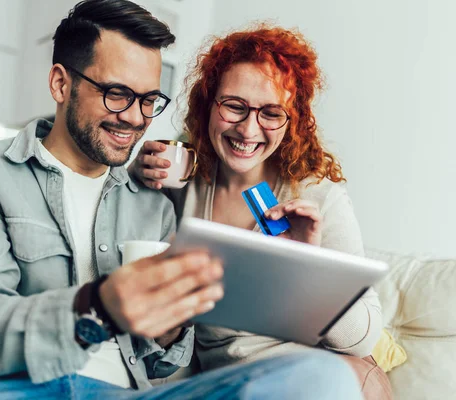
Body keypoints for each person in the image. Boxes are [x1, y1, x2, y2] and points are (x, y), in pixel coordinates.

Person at [0, 3, 364, 400]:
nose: (135, 118)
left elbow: (167, 358)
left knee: (320, 378)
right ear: (60, 83)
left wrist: (167, 331)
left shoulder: (153, 197)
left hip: (125, 394)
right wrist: (98, 307)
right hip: (7, 388)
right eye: (117, 94)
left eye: (148, 100)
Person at [131, 25, 392, 399]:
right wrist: (136, 173)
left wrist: (306, 264)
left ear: (292, 121)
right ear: (208, 105)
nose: (249, 129)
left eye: (271, 113)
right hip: (228, 387)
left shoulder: (317, 195)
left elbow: (364, 337)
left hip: (309, 382)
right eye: (234, 106)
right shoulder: (185, 184)